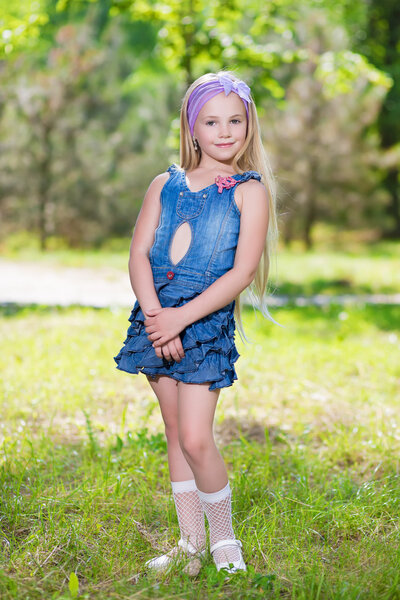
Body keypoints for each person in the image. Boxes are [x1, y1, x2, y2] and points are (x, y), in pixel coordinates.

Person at [113, 70, 279, 574]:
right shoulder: (165, 184)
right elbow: (139, 255)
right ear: (191, 127)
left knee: (196, 437)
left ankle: (225, 543)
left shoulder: (250, 192)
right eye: (212, 121)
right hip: (157, 322)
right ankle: (190, 544)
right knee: (172, 430)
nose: (225, 131)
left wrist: (183, 318)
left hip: (201, 326)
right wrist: (156, 315)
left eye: (235, 120)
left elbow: (242, 272)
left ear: (249, 126)